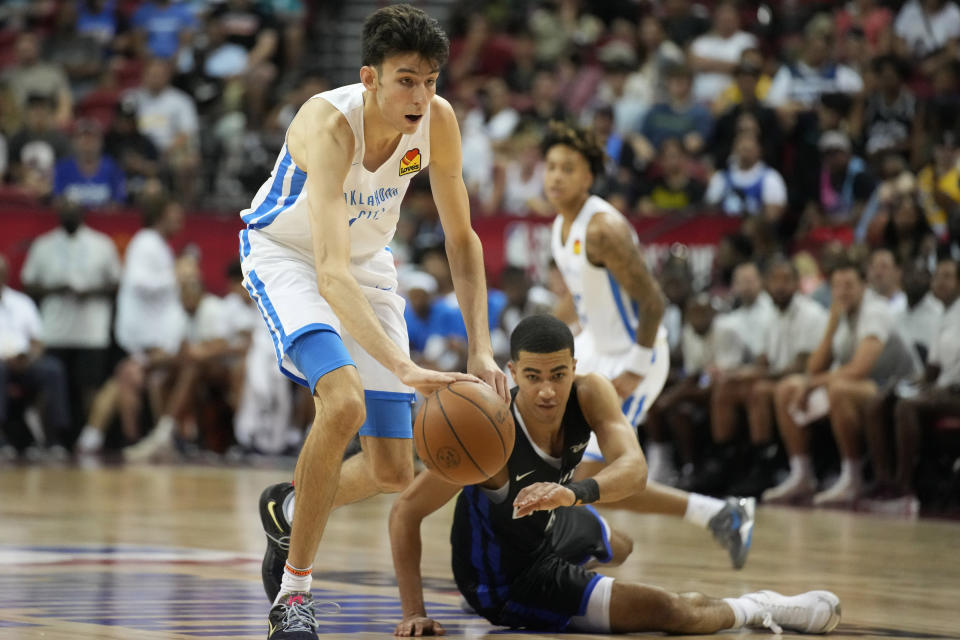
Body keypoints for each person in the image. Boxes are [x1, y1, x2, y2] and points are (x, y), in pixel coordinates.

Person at [242, 7, 507, 639]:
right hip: (291, 258)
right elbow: (328, 273)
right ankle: (295, 599)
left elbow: (462, 239)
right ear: (370, 78)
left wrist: (482, 349)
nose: (421, 96)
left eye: (431, 80)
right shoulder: (330, 125)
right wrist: (404, 365)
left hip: (366, 263)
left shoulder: (438, 123)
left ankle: (287, 506)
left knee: (393, 471)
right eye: (406, 80)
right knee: (342, 404)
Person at [389, 315, 842, 636]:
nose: (547, 390)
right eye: (532, 376)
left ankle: (585, 573)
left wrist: (571, 494)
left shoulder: (590, 393)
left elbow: (634, 470)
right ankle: (762, 608)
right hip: (508, 582)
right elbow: (406, 511)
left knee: (622, 546)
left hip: (548, 522)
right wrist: (414, 612)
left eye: (558, 374)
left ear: (575, 368)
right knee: (668, 610)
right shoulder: (485, 432)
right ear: (511, 375)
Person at [541, 122, 754, 567]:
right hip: (597, 348)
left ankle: (571, 553)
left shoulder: (602, 230)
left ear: (588, 177)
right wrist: (537, 339)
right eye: (551, 167)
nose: (556, 176)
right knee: (578, 469)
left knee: (591, 475)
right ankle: (720, 514)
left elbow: (653, 300)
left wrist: (636, 367)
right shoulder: (561, 225)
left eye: (568, 168)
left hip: (636, 354)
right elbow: (580, 297)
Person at [764, 257, 921, 505]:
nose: (842, 292)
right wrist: (831, 326)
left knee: (838, 389)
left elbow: (860, 369)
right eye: (837, 286)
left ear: (863, 286)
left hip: (899, 386)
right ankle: (801, 474)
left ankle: (853, 477)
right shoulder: (840, 313)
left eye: (849, 285)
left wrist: (813, 384)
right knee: (787, 387)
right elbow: (815, 367)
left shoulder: (875, 311)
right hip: (868, 386)